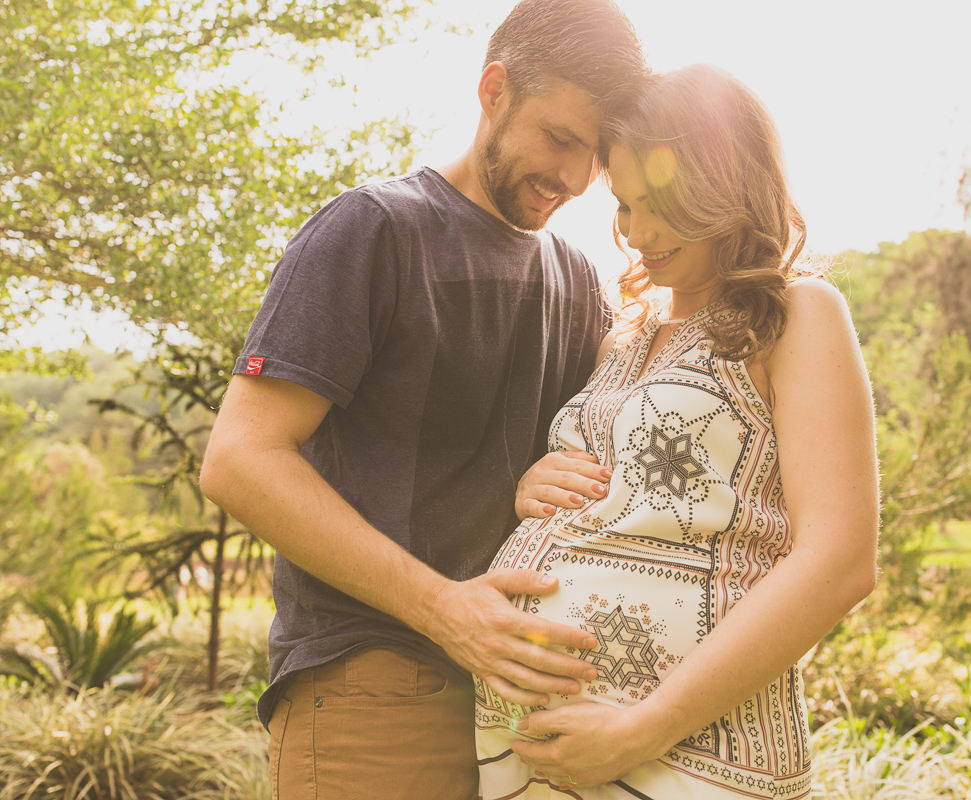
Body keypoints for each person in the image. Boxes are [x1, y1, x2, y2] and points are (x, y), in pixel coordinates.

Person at [198, 2, 648, 798]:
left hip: (525, 708)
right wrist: (445, 609)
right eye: (560, 138)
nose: (576, 179)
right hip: (378, 685)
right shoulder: (373, 230)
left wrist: (539, 476)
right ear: (494, 90)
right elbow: (240, 460)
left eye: (596, 158)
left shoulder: (578, 279)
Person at [474, 64, 880, 799]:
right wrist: (536, 486)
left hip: (683, 756)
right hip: (530, 756)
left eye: (662, 203)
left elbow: (839, 560)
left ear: (729, 186)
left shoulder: (798, 314)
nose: (639, 233)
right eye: (626, 206)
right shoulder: (623, 336)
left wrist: (646, 726)